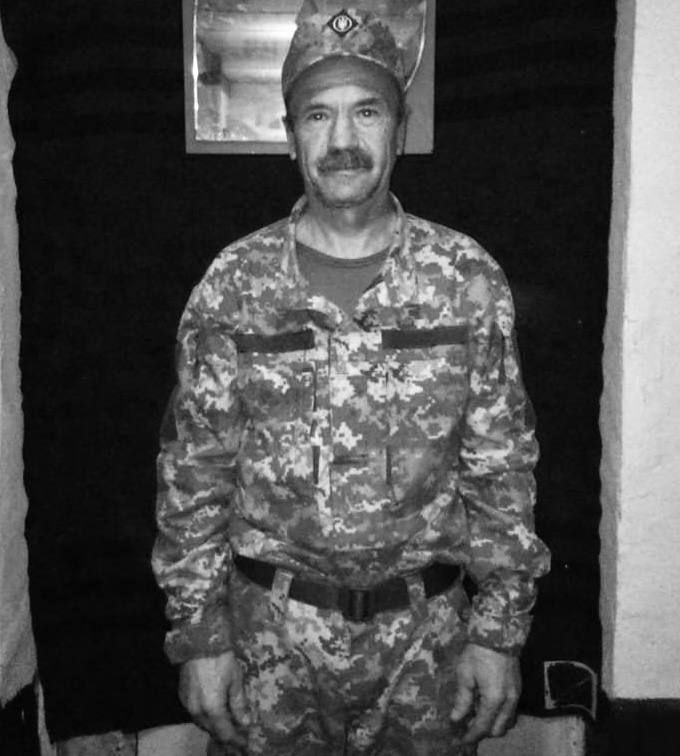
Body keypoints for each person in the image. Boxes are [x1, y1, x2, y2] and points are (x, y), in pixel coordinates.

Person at [153, 5, 550, 755]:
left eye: (367, 112)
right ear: (290, 134)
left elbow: (502, 470)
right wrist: (198, 636)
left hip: (427, 651)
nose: (342, 140)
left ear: (399, 130)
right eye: (318, 115)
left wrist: (500, 631)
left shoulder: (465, 279)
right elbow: (193, 475)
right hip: (269, 650)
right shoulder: (233, 286)